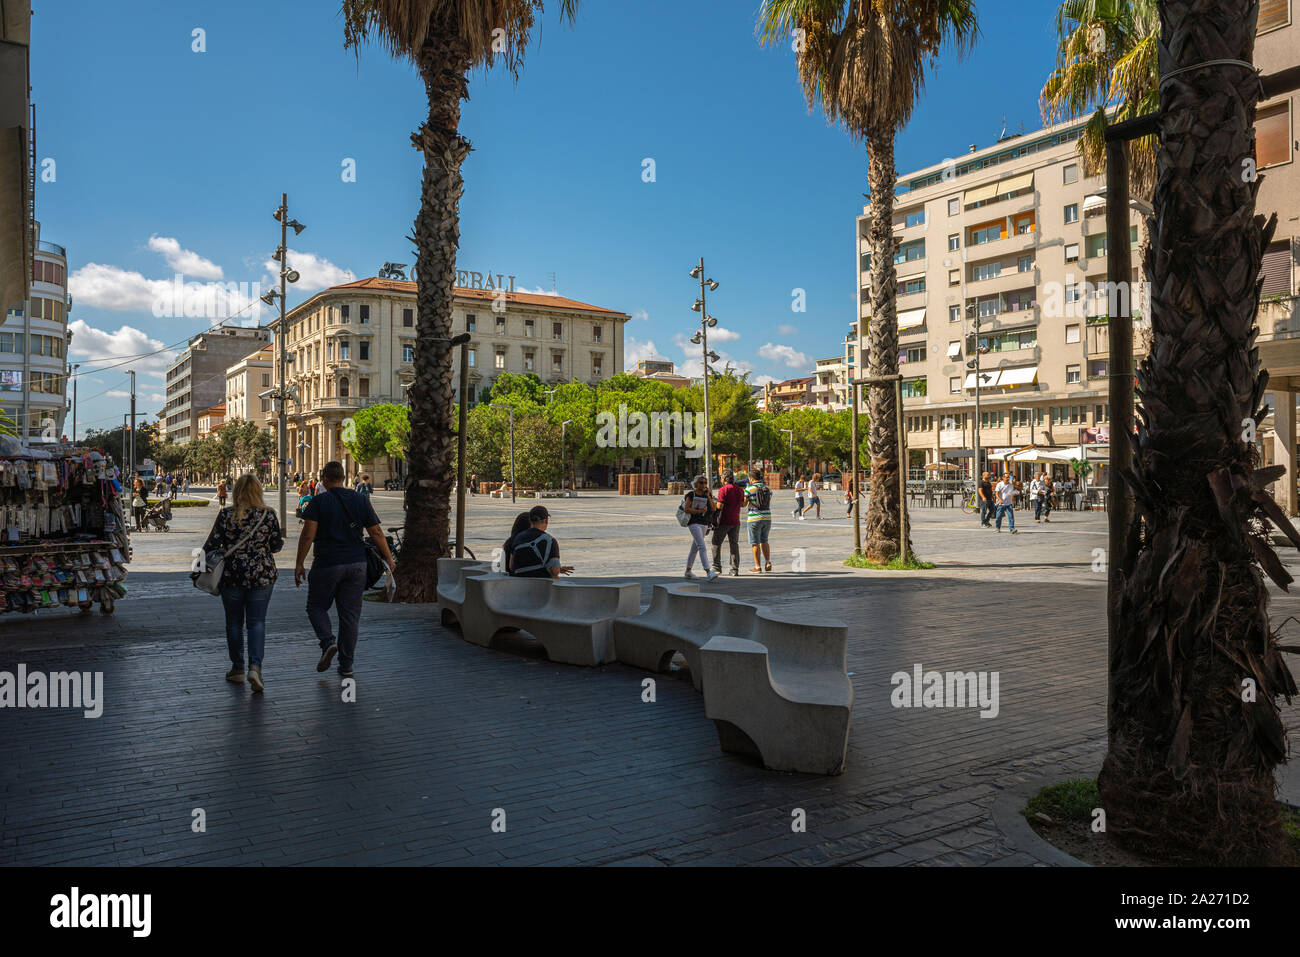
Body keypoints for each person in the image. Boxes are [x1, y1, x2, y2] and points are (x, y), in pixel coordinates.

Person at [294, 460, 396, 679]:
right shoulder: (360, 499)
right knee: (349, 616)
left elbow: (308, 535)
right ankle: (347, 665)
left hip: (327, 563)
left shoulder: (318, 502)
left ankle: (328, 642)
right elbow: (376, 532)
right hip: (357, 564)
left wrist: (299, 563)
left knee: (316, 607)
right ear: (343, 478)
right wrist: (389, 558)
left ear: (323, 479)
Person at [202, 474, 283, 692]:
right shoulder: (268, 515)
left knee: (234, 622)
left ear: (236, 491)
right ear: (259, 491)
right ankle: (255, 668)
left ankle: (237, 668)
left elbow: (211, 545)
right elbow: (276, 546)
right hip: (262, 574)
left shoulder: (226, 515)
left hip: (232, 575)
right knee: (257, 622)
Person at [508, 505, 573, 578]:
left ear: (530, 520)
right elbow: (554, 571)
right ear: (546, 521)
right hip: (542, 585)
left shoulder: (517, 538)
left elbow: (511, 566)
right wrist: (558, 569)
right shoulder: (550, 541)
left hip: (521, 584)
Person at [681, 474, 718, 581]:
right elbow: (686, 509)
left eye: (705, 483)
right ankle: (708, 571)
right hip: (694, 523)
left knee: (695, 548)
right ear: (696, 484)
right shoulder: (691, 495)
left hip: (704, 523)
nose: (703, 485)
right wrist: (699, 511)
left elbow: (713, 508)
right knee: (702, 546)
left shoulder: (707, 494)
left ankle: (688, 571)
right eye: (701, 482)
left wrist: (708, 496)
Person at [711, 470, 744, 577]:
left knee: (716, 543)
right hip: (736, 521)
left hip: (724, 521)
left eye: (721, 477)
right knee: (734, 544)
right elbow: (743, 504)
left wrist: (713, 503)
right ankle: (734, 569)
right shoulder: (739, 490)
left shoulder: (723, 490)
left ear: (724, 479)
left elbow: (720, 506)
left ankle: (717, 566)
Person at [744, 472, 773, 572]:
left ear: (751, 478)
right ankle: (768, 561)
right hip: (767, 518)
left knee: (755, 543)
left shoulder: (749, 489)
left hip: (754, 518)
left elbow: (743, 504)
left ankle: (757, 567)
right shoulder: (767, 488)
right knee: (764, 540)